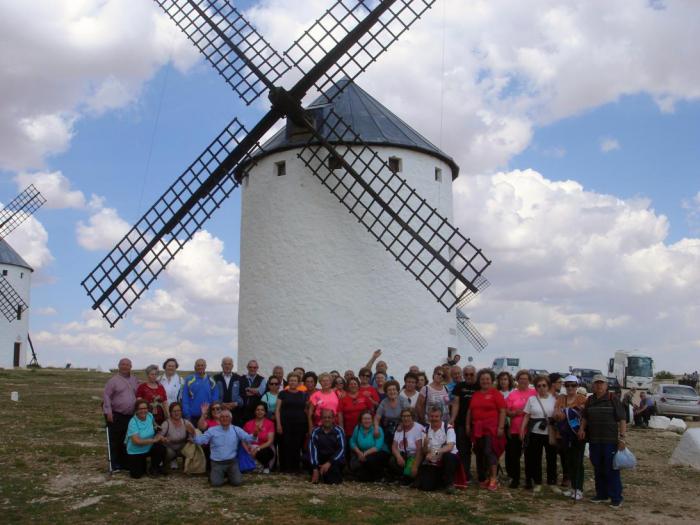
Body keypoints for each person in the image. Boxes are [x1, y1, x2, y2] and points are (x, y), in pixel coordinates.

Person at [579, 374, 627, 508]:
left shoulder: (613, 399)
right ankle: (601, 494)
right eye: (597, 383)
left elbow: (622, 419)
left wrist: (622, 438)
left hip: (610, 441)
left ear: (606, 385)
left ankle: (616, 497)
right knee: (598, 468)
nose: (599, 386)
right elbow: (585, 417)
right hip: (594, 441)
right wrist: (582, 429)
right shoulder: (590, 400)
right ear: (592, 386)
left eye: (602, 383)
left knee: (611, 469)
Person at [467, 368, 506, 491]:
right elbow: (470, 410)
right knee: (481, 452)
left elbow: (503, 411)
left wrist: (500, 427)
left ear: (491, 380)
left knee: (490, 451)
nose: (485, 381)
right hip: (478, 428)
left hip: (491, 428)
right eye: (482, 379)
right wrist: (468, 425)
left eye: (487, 379)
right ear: (479, 381)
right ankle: (487, 477)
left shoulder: (496, 393)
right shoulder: (476, 394)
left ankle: (494, 478)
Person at [194, 409, 254, 487]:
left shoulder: (236, 429)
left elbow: (248, 438)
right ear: (219, 418)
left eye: (227, 417)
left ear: (231, 419)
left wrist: (255, 434)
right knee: (216, 484)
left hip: (232, 462)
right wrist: (193, 434)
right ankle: (218, 475)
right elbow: (201, 440)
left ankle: (227, 475)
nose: (224, 418)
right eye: (222, 417)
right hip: (217, 462)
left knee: (237, 482)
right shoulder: (212, 430)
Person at [520, 375, 556, 492]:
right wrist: (522, 429)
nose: (541, 388)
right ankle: (538, 481)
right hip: (535, 433)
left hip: (550, 432)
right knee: (536, 458)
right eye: (539, 386)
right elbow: (527, 416)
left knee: (551, 458)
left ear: (548, 386)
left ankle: (552, 482)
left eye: (544, 385)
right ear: (535, 387)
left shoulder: (554, 399)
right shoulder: (532, 399)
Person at [554, 375, 587, 501]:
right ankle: (573, 487)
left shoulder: (582, 399)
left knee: (578, 461)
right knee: (569, 461)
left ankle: (579, 489)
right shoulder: (561, 399)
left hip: (578, 434)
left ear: (577, 386)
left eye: (573, 385)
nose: (570, 388)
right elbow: (557, 414)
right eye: (567, 385)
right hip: (565, 435)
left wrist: (566, 413)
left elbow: (585, 416)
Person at [103, 357, 139, 472]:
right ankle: (114, 464)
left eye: (127, 365)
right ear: (119, 366)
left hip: (130, 415)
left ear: (131, 367)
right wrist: (108, 411)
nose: (125, 366)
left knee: (127, 440)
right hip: (116, 414)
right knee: (115, 440)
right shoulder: (113, 381)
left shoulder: (134, 380)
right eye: (122, 364)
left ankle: (125, 463)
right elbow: (106, 396)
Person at [417, 406, 459, 493]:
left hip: (447, 459)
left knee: (449, 456)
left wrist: (435, 452)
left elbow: (450, 446)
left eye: (436, 416)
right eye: (432, 416)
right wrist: (425, 447)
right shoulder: (425, 430)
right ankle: (440, 480)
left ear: (441, 417)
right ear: (428, 417)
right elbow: (424, 451)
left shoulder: (448, 428)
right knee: (426, 487)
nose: (434, 418)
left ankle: (449, 484)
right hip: (433, 461)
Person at [504, 370, 535, 488]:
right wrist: (513, 413)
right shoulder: (512, 394)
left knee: (529, 456)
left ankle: (528, 480)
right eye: (521, 378)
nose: (523, 380)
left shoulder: (534, 393)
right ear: (517, 380)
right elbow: (506, 410)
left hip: (530, 429)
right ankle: (515, 479)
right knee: (514, 456)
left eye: (525, 378)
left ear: (529, 380)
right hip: (515, 428)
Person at [125, 398, 166, 478]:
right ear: (136, 410)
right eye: (140, 409)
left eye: (145, 408)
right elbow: (136, 441)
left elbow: (155, 425)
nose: (143, 411)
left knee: (161, 448)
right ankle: (142, 464)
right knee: (136, 476)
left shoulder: (150, 416)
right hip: (135, 451)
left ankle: (154, 468)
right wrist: (153, 440)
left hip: (148, 448)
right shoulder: (133, 422)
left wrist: (159, 432)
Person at [275, 373, 308, 472]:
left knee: (297, 446)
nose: (293, 382)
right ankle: (285, 468)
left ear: (298, 383)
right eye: (291, 380)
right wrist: (278, 424)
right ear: (288, 382)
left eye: (295, 380)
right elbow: (277, 410)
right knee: (285, 445)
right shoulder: (282, 393)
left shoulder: (303, 394)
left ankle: (295, 467)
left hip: (300, 424)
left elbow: (307, 409)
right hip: (285, 424)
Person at [450, 365, 478, 483]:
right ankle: (465, 474)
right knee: (463, 449)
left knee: (480, 449)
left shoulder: (479, 385)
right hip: (461, 421)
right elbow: (456, 403)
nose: (468, 377)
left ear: (475, 374)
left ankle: (483, 474)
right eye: (466, 374)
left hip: (477, 422)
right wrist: (452, 419)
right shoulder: (459, 386)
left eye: (471, 374)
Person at [308, 409, 346, 484]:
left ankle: (325, 473)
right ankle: (317, 472)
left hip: (334, 460)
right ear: (321, 419)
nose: (327, 419)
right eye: (324, 417)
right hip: (320, 459)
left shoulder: (339, 430)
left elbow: (341, 449)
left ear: (333, 418)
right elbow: (313, 449)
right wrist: (315, 468)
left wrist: (329, 462)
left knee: (333, 481)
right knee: (306, 459)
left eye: (329, 417)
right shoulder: (315, 431)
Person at [349, 411, 388, 481]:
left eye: (369, 419)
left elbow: (378, 447)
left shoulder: (378, 429)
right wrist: (359, 452)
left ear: (372, 420)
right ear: (361, 420)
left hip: (379, 453)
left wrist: (364, 454)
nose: (367, 421)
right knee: (363, 478)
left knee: (370, 459)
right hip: (363, 454)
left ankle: (380, 474)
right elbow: (352, 442)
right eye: (364, 419)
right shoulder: (357, 428)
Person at [158, 401, 196, 472]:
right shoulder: (166, 423)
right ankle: (166, 462)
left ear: (181, 412)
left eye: (178, 410)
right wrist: (163, 439)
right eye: (174, 411)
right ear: (170, 412)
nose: (176, 413)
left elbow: (194, 433)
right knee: (169, 453)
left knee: (191, 446)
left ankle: (187, 465)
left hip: (181, 448)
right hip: (169, 447)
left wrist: (191, 437)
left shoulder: (186, 422)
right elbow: (159, 436)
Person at [390, 408, 424, 485]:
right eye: (403, 416)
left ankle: (409, 477)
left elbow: (420, 449)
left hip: (415, 456)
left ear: (413, 417)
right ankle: (402, 476)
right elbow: (394, 446)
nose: (406, 418)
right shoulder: (399, 428)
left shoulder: (418, 428)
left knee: (410, 473)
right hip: (403, 454)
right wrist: (398, 457)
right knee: (392, 460)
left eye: (408, 416)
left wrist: (415, 465)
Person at [181, 359, 220, 426]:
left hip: (207, 416)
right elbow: (185, 398)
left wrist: (212, 412)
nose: (200, 367)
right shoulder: (189, 379)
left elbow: (215, 398)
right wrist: (187, 414)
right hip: (192, 416)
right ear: (195, 367)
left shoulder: (211, 380)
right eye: (198, 365)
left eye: (202, 365)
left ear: (205, 366)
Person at [243, 402, 276, 473]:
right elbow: (243, 439)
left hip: (263, 448)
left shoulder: (270, 423)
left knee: (266, 452)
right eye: (257, 410)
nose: (260, 412)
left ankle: (265, 466)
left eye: (262, 410)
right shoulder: (248, 424)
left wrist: (257, 449)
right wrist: (248, 450)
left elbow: (270, 441)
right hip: (250, 447)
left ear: (265, 412)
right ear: (254, 411)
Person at [374, 380, 407, 448]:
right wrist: (376, 427)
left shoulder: (403, 401)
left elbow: (409, 416)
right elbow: (377, 418)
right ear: (386, 392)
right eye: (389, 390)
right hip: (388, 428)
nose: (392, 392)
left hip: (403, 425)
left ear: (398, 390)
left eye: (394, 389)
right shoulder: (384, 402)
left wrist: (401, 424)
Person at [213, 357, 242, 422]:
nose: (227, 366)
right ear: (222, 365)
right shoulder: (215, 378)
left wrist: (236, 403)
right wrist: (221, 404)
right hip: (219, 413)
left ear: (232, 366)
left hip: (236, 413)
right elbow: (213, 395)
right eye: (225, 364)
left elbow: (242, 394)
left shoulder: (239, 378)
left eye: (229, 364)